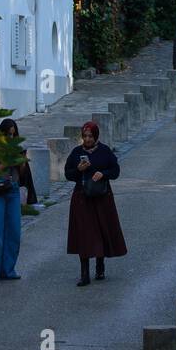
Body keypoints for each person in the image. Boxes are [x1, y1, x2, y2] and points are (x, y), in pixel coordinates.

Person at [64, 121, 127, 286]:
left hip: (102, 197)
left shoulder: (105, 151)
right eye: (85, 136)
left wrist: (103, 174)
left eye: (90, 136)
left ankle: (100, 266)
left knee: (101, 230)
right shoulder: (77, 152)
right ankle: (84, 274)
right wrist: (79, 169)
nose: (87, 139)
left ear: (96, 136)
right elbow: (68, 174)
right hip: (82, 197)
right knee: (84, 234)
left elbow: (116, 171)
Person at [0, 118, 37, 285]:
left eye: (13, 134)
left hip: (13, 190)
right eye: (8, 134)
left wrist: (22, 163)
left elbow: (23, 175)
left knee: (14, 232)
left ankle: (8, 269)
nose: (11, 138)